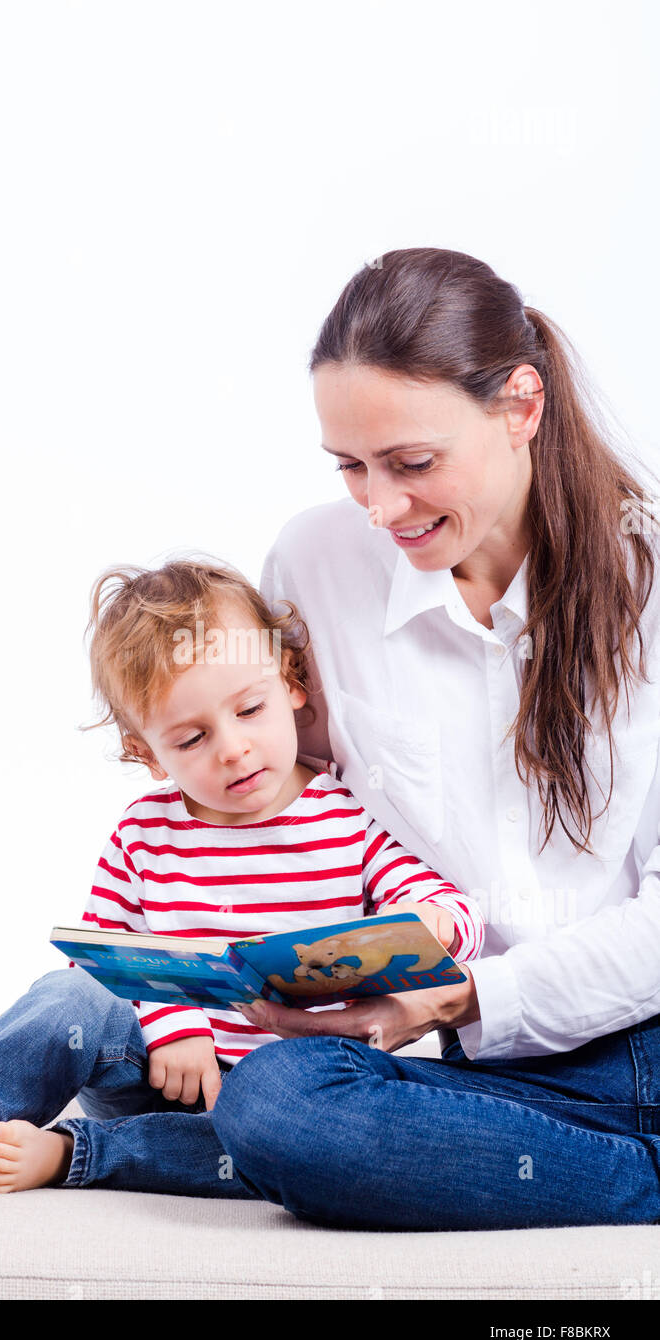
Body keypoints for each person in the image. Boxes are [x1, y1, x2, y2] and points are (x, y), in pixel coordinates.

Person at [208, 246, 660, 1231]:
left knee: (267, 1120)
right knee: (258, 1097)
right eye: (349, 467)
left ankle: (596, 1168)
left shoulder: (648, 573)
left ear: (520, 407)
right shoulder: (314, 560)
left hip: (632, 1032)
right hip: (438, 1052)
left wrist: (462, 998)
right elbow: (296, 802)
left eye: (411, 463)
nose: (379, 506)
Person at [0, 557, 484, 1197]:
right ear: (146, 753)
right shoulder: (145, 833)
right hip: (154, 1071)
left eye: (250, 709)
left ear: (292, 683)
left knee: (300, 1140)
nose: (233, 748)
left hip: (288, 1091)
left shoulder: (348, 818)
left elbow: (454, 912)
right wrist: (172, 1022)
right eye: (191, 739)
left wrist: (432, 920)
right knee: (66, 997)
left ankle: (70, 1155)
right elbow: (101, 962)